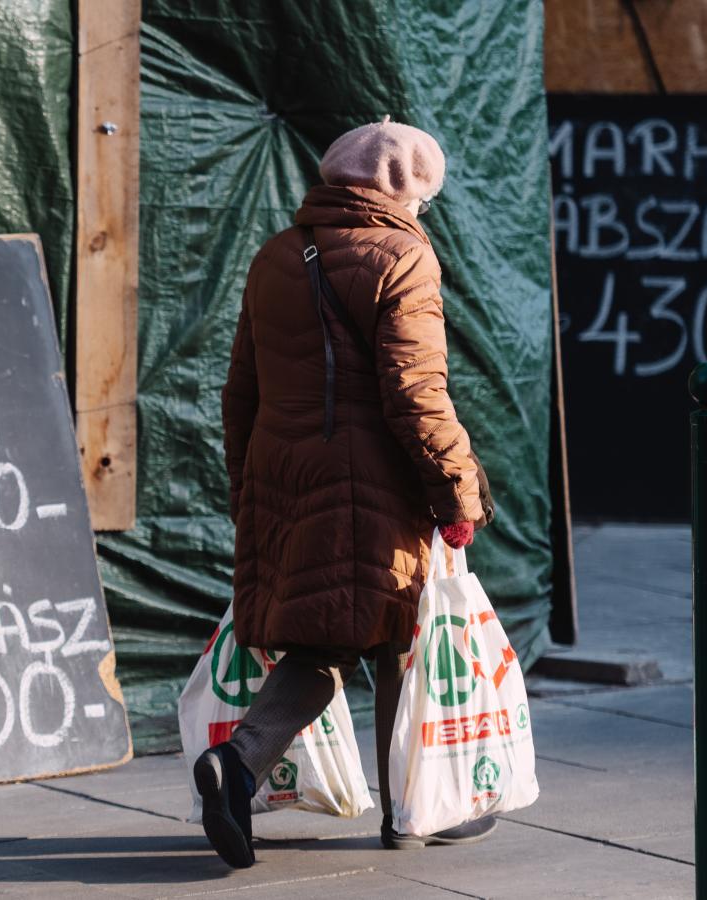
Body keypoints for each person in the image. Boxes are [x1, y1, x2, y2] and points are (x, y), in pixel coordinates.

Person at [195, 118, 497, 869]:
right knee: (390, 637)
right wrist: (458, 495)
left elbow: (241, 393)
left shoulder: (274, 256)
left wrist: (248, 491)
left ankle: (244, 765)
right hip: (373, 482)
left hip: (284, 477)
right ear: (406, 192)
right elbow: (416, 395)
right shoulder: (404, 256)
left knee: (332, 637)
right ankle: (408, 811)